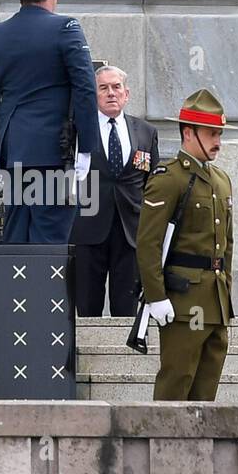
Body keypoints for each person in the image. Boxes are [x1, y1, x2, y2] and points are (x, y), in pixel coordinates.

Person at [0, 0, 99, 244]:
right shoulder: (66, 27)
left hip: (12, 153)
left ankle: (18, 291)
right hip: (53, 154)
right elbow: (85, 88)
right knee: (51, 242)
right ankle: (46, 292)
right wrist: (86, 149)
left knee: (16, 238)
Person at [136, 89, 236, 402]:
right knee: (176, 385)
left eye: (219, 133)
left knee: (206, 394)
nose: (217, 141)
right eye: (211, 134)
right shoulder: (170, 178)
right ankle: (163, 451)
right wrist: (156, 296)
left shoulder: (221, 179)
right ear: (189, 133)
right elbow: (148, 242)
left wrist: (226, 291)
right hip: (182, 302)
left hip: (215, 302)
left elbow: (227, 245)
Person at [70, 65, 161, 317]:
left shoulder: (146, 132)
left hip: (130, 230)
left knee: (127, 308)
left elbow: (152, 184)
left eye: (116, 87)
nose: (111, 93)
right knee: (87, 308)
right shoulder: (78, 130)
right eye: (104, 88)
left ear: (126, 93)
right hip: (88, 229)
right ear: (94, 94)